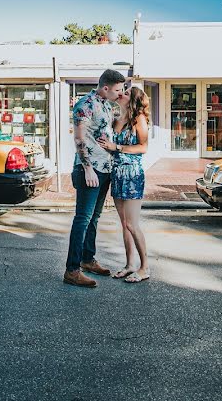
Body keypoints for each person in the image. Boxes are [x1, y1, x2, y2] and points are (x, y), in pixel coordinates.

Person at [64, 69, 126, 288]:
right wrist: (87, 168)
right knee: (83, 218)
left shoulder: (108, 105)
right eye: (118, 89)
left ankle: (88, 259)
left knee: (95, 218)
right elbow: (79, 139)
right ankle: (72, 270)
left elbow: (112, 130)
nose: (121, 93)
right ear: (106, 87)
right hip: (89, 170)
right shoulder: (85, 105)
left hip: (105, 167)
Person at [98, 85, 150, 283]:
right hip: (117, 173)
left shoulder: (139, 119)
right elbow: (111, 146)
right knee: (124, 225)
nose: (121, 94)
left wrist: (116, 146)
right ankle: (129, 265)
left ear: (133, 100)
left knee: (132, 224)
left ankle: (144, 267)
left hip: (132, 174)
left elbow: (143, 147)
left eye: (126, 93)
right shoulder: (117, 119)